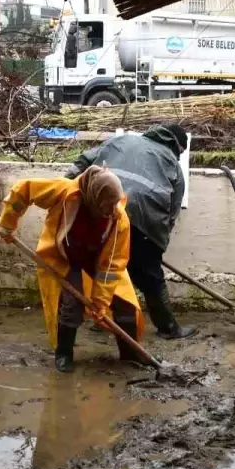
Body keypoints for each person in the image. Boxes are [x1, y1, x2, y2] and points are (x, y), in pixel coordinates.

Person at [0, 165, 144, 373]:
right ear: (94, 196)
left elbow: (111, 265)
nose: (112, 210)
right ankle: (64, 353)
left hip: (97, 259)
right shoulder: (64, 192)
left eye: (115, 203)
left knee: (124, 303)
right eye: (107, 204)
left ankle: (129, 354)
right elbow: (24, 189)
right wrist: (8, 223)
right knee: (71, 302)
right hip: (66, 258)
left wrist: (100, 302)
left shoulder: (119, 219)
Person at [66, 124, 195, 339]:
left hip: (100, 210)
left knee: (103, 266)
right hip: (142, 220)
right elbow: (172, 212)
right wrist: (155, 246)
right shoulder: (172, 163)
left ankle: (102, 318)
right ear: (177, 146)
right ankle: (168, 328)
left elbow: (83, 162)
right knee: (151, 276)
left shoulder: (121, 141)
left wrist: (65, 187)